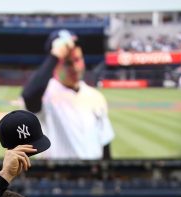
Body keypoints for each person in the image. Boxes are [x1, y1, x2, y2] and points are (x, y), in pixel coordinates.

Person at [22, 29, 115, 160]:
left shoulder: (95, 96)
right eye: (67, 63)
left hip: (92, 175)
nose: (75, 68)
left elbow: (105, 143)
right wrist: (55, 55)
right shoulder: (46, 93)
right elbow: (29, 96)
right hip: (58, 175)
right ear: (55, 65)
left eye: (77, 59)